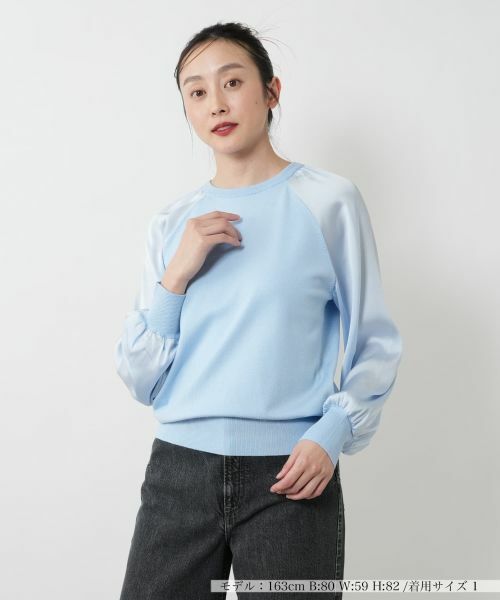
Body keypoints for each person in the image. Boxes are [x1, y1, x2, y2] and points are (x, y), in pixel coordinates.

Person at [114, 21, 403, 600]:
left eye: (232, 82)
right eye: (197, 92)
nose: (216, 104)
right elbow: (141, 379)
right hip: (178, 474)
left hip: (290, 473)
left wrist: (332, 431)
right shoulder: (172, 224)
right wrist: (177, 276)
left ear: (271, 91)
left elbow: (374, 340)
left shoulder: (329, 201)